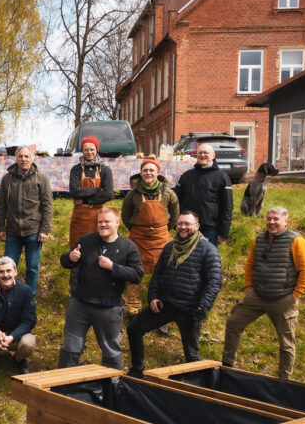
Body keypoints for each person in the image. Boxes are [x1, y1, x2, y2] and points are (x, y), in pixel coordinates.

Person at [221, 207, 305, 380]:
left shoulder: (296, 241)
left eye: (276, 219)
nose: (271, 222)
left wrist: (295, 295)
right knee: (233, 323)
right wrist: (249, 288)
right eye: (269, 219)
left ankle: (284, 379)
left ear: (286, 221)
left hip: (283, 298)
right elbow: (250, 265)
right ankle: (227, 365)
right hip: (257, 295)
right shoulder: (259, 239)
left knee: (286, 343)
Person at [126, 212, 222, 377]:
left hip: (190, 309)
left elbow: (214, 281)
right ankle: (137, 371)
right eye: (180, 223)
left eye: (187, 224)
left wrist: (203, 306)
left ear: (197, 226)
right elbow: (158, 274)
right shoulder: (170, 247)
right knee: (134, 329)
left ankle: (195, 385)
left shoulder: (208, 249)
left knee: (192, 355)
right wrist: (153, 297)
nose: (183, 227)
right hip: (165, 304)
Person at [58, 206, 143, 370]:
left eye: (107, 222)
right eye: (100, 222)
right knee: (70, 348)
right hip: (80, 304)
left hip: (109, 307)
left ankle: (112, 386)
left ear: (117, 223)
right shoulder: (86, 241)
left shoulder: (128, 247)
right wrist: (70, 257)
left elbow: (137, 274)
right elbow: (65, 262)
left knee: (111, 352)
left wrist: (114, 267)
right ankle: (63, 386)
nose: (102, 225)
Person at [121, 158, 180, 317]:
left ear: (158, 173)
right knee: (134, 271)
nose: (148, 173)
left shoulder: (169, 193)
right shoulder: (132, 195)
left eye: (151, 170)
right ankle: (133, 309)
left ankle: (160, 307)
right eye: (145, 170)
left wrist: (163, 230)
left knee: (163, 272)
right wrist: (139, 230)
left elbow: (175, 216)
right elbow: (125, 217)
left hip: (161, 238)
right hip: (138, 239)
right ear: (140, 173)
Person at [0, 145, 52, 295]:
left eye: (26, 156)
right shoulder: (7, 179)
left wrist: (44, 230)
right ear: (16, 158)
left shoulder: (41, 178)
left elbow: (47, 206)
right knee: (8, 267)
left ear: (32, 159)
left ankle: (29, 298)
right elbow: (1, 205)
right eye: (20, 156)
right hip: (12, 232)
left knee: (32, 268)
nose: (23, 159)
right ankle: (8, 296)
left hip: (33, 232)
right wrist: (1, 228)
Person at [174, 143, 233, 246]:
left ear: (213, 156)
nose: (202, 155)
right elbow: (175, 201)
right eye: (200, 153)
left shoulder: (222, 177)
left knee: (207, 261)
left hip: (210, 230)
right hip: (187, 228)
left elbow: (227, 207)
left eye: (206, 153)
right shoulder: (187, 176)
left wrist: (224, 232)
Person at [68, 136, 115, 247]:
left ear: (96, 150)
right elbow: (74, 192)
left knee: (99, 246)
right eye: (86, 150)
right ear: (82, 151)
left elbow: (109, 194)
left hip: (100, 215)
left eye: (92, 149)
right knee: (79, 247)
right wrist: (98, 190)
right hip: (80, 216)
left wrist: (84, 199)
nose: (89, 152)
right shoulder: (76, 169)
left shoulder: (105, 169)